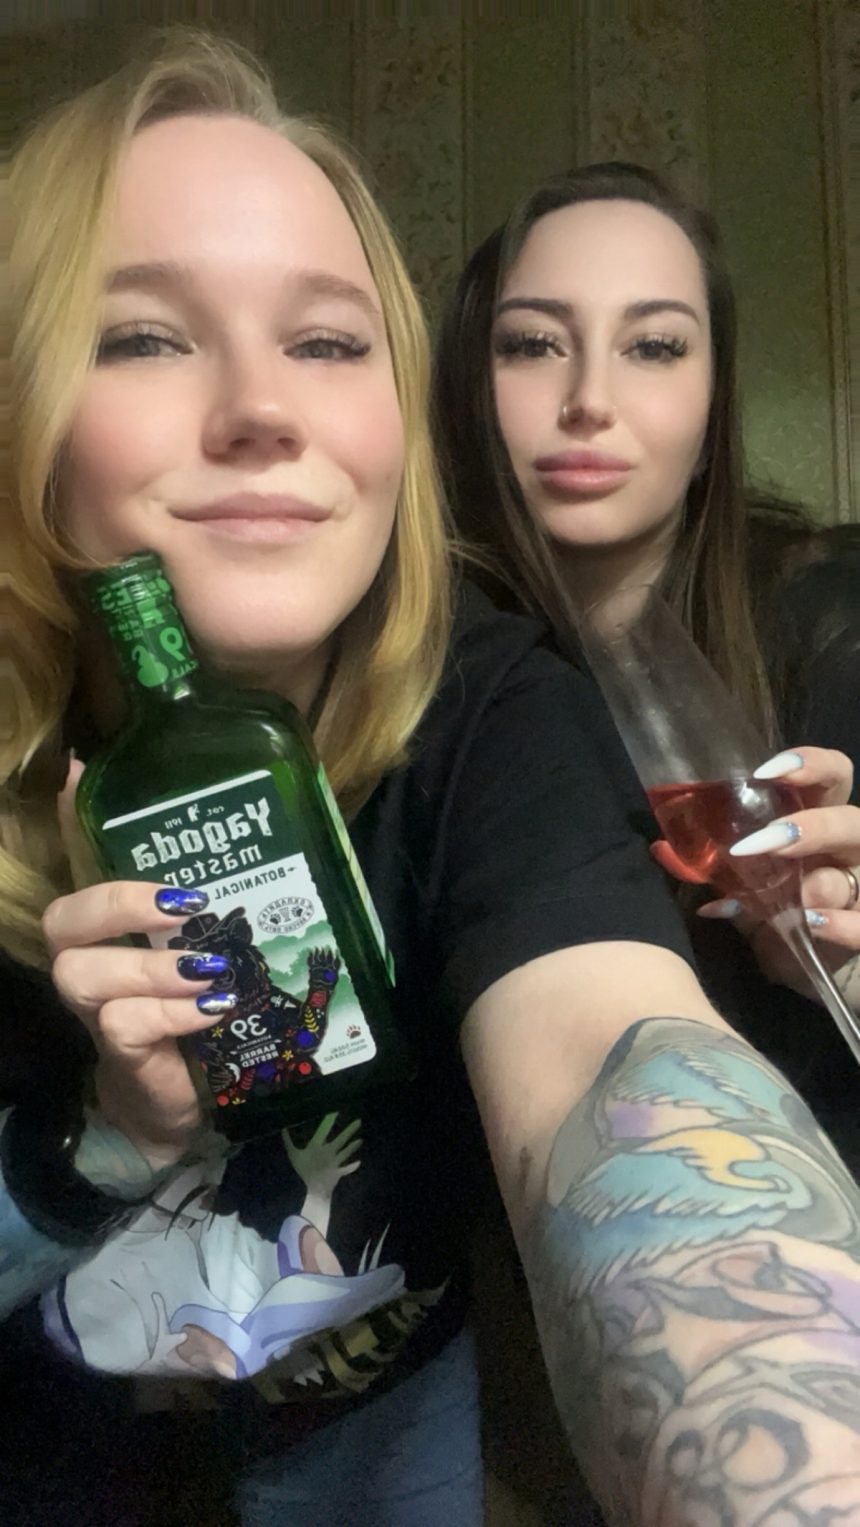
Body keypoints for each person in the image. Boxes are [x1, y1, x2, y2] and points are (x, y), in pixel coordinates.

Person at [2, 35, 859, 1527]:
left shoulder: (492, 698)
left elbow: (609, 1054)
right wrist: (99, 1144)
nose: (262, 406)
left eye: (328, 344)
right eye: (142, 336)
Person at [434, 161, 860, 1153]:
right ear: (467, 391)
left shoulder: (836, 624)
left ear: (713, 407)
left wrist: (842, 970)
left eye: (654, 346)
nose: (588, 398)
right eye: (533, 344)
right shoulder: (423, 681)